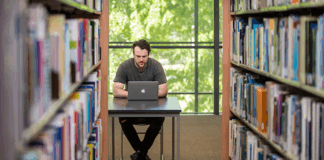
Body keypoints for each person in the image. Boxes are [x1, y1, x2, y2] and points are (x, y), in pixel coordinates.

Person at [113, 39, 168, 160]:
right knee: (122, 118)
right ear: (133, 54)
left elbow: (164, 90)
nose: (141, 60)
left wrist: (142, 95)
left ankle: (140, 153)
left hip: (152, 110)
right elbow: (116, 90)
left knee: (160, 117)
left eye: (144, 56)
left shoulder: (156, 65)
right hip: (131, 110)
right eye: (138, 56)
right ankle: (142, 153)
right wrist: (135, 95)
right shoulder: (125, 66)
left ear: (148, 54)